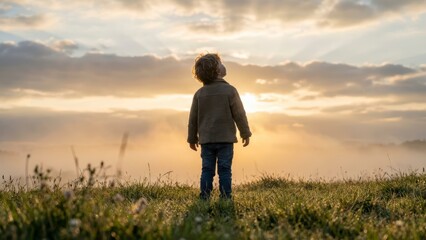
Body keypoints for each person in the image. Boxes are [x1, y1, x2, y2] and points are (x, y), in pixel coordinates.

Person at [187, 53, 252, 200]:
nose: (223, 65)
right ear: (217, 70)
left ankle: (204, 197)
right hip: (225, 140)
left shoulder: (199, 94)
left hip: (206, 140)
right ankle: (226, 197)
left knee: (207, 170)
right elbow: (239, 114)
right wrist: (245, 133)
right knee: (224, 170)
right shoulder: (230, 91)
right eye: (220, 63)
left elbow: (193, 119)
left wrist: (192, 138)